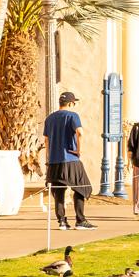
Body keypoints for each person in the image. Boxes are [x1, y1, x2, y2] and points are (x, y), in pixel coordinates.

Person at [43, 91, 96, 230]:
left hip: (54, 161)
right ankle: (80, 220)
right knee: (82, 188)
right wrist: (79, 150)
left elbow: (46, 140)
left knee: (59, 191)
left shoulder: (49, 118)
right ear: (71, 103)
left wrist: (49, 158)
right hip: (70, 159)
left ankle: (62, 221)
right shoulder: (73, 116)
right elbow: (80, 133)